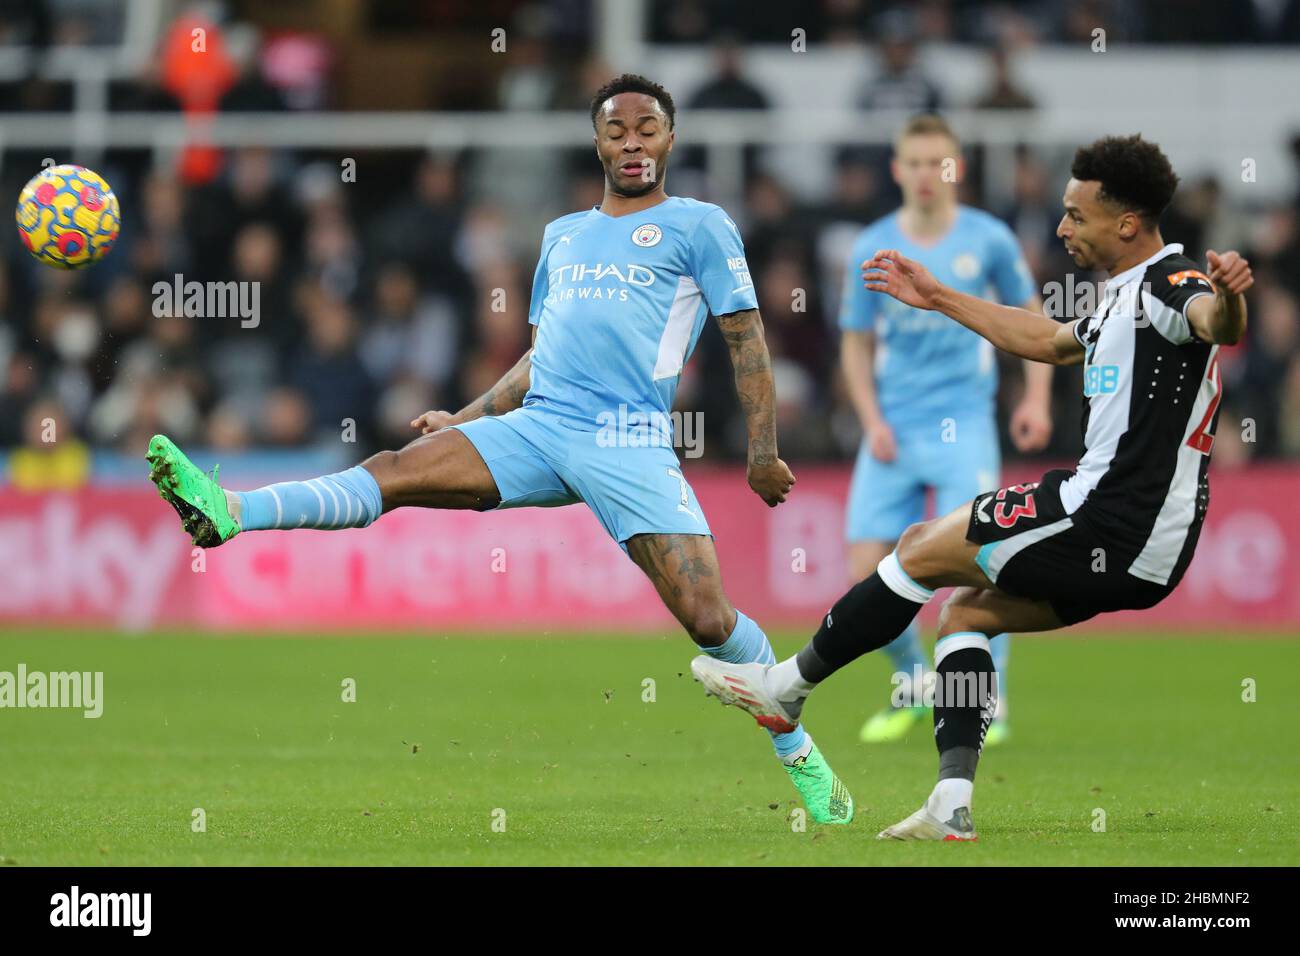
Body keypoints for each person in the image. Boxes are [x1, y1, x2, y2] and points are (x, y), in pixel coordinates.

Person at [145, 73, 853, 825]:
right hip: (541, 425)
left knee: (709, 620)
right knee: (392, 472)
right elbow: (539, 357)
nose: (634, 142)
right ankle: (229, 509)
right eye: (618, 130)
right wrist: (466, 415)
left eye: (648, 127)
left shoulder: (701, 225)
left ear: (671, 138)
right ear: (598, 143)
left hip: (628, 441)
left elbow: (747, 339)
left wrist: (762, 451)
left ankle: (801, 756)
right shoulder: (563, 235)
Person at [692, 134, 1252, 840]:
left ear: (1128, 224)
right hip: (1145, 545)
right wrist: (938, 296)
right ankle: (949, 803)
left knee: (920, 548)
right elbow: (1047, 340)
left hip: (1109, 519)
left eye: (1076, 215)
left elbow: (1214, 323)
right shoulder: (1119, 299)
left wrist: (1229, 300)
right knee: (964, 617)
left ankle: (785, 689)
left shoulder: (1175, 286)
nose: (1061, 228)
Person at [840, 114, 1051, 745]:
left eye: (940, 162)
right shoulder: (871, 246)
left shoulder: (988, 240)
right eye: (916, 162)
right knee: (864, 570)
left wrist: (1036, 398)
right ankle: (913, 683)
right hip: (894, 432)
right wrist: (870, 419)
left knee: (981, 566)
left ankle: (989, 700)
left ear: (955, 169)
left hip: (966, 423)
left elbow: (1032, 318)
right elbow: (855, 343)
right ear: (897, 169)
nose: (928, 174)